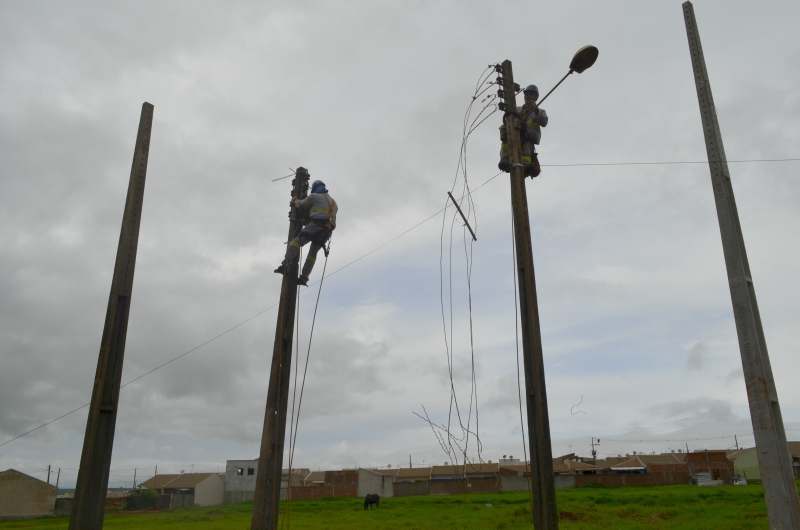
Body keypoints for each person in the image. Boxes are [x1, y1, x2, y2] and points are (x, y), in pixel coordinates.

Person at [274, 179, 338, 286]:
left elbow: (301, 204)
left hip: (316, 225)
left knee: (296, 242)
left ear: (314, 189)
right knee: (312, 254)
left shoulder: (315, 196)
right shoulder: (333, 202)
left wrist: (294, 200)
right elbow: (322, 213)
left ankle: (286, 263)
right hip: (327, 231)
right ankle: (304, 278)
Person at [498, 84, 548, 177]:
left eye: (531, 94)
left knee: (526, 147)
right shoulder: (517, 109)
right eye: (527, 94)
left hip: (528, 139)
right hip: (514, 135)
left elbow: (544, 122)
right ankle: (504, 160)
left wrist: (535, 110)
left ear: (536, 97)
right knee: (505, 141)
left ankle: (526, 166)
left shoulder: (540, 111)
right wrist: (518, 117)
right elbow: (508, 121)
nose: (528, 96)